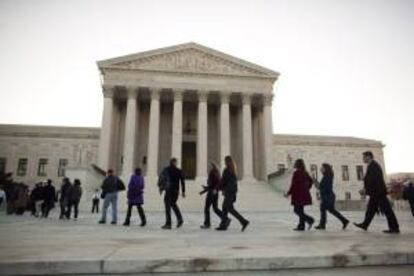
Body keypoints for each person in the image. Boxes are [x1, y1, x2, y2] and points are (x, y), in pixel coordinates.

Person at [354, 151, 400, 234]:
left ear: (369, 157)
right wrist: (366, 189)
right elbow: (370, 180)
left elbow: (374, 181)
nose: (363, 159)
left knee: (387, 210)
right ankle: (365, 224)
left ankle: (394, 227)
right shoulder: (371, 166)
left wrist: (366, 190)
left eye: (364, 157)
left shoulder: (374, 166)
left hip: (379, 193)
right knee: (370, 210)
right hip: (375, 193)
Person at [216, 156, 249, 231]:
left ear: (227, 161)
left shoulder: (227, 170)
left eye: (225, 161)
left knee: (229, 208)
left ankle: (243, 221)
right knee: (225, 207)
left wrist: (217, 189)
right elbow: (233, 184)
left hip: (229, 192)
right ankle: (224, 224)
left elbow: (223, 181)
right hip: (231, 192)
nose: (224, 162)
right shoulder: (233, 170)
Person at [314, 163, 349, 230]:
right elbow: (320, 187)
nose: (320, 169)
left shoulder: (327, 176)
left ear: (325, 169)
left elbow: (321, 187)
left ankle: (322, 225)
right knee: (331, 210)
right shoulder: (327, 176)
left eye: (322, 168)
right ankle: (344, 221)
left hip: (327, 196)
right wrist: (315, 182)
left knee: (323, 209)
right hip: (329, 195)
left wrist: (315, 181)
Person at [284, 159, 314, 231]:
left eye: (295, 163)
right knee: (300, 210)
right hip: (304, 194)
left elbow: (293, 185)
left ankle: (310, 219)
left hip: (298, 195)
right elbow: (311, 181)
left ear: (297, 164)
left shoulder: (297, 173)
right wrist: (307, 188)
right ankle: (301, 226)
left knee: (296, 210)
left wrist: (288, 193)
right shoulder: (305, 172)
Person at [160, 158, 185, 229]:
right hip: (175, 191)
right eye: (175, 162)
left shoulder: (167, 169)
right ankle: (180, 219)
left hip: (169, 190)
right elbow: (182, 181)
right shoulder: (179, 171)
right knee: (173, 204)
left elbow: (162, 179)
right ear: (174, 163)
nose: (176, 163)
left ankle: (168, 223)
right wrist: (183, 191)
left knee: (168, 206)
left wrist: (161, 188)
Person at [200, 162, 223, 229]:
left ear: (212, 166)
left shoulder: (212, 172)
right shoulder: (217, 173)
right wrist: (206, 187)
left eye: (209, 166)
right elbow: (215, 183)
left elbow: (214, 183)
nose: (208, 167)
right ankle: (225, 219)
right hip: (215, 192)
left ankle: (207, 224)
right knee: (215, 208)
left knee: (207, 208)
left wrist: (210, 188)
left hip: (211, 193)